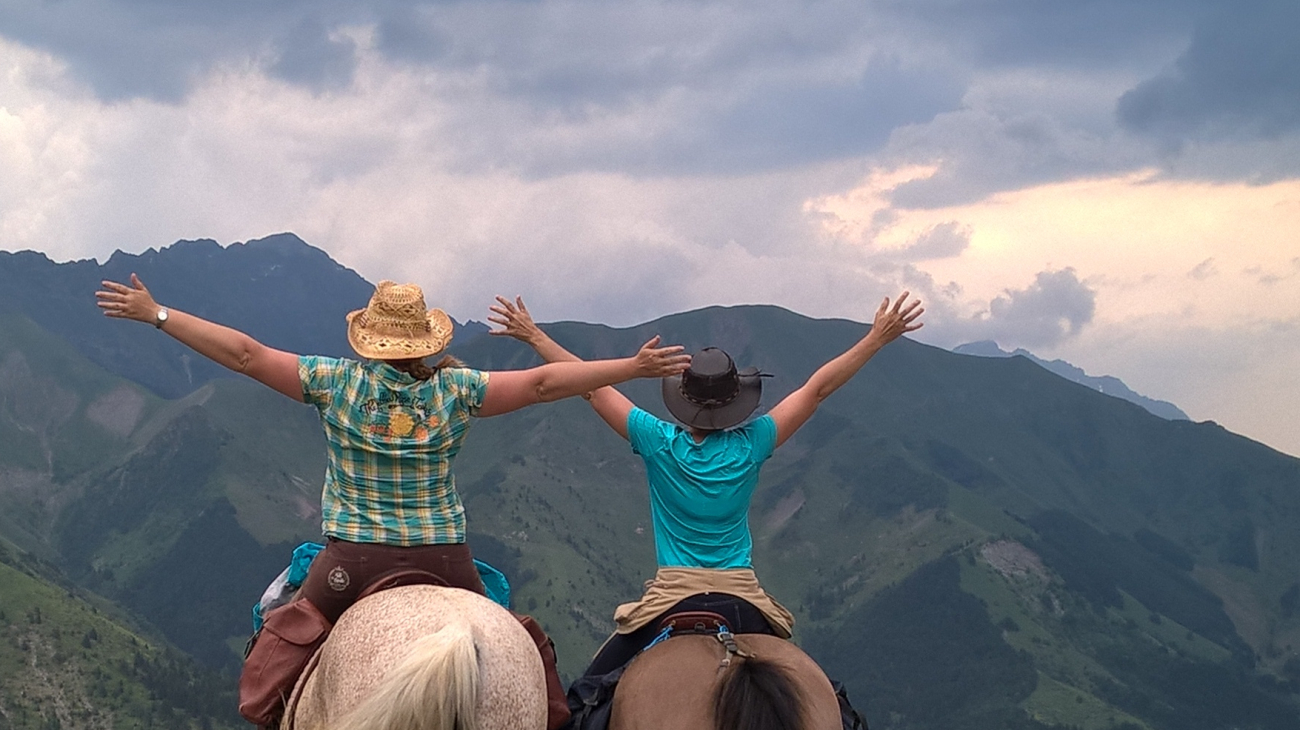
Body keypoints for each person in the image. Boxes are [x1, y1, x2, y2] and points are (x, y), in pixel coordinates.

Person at [96, 275, 690, 729]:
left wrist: (159, 314)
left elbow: (246, 354)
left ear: (370, 339)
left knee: (276, 634)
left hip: (351, 565)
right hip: (446, 561)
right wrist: (632, 367)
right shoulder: (459, 389)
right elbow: (541, 385)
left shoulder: (336, 381)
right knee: (516, 637)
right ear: (426, 341)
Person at [488, 292, 923, 729]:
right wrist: (876, 338)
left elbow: (592, 388)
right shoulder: (753, 444)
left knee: (584, 701)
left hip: (671, 596)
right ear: (738, 402)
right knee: (833, 706)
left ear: (683, 397)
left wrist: (534, 335)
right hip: (745, 601)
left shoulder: (657, 440)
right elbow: (817, 388)